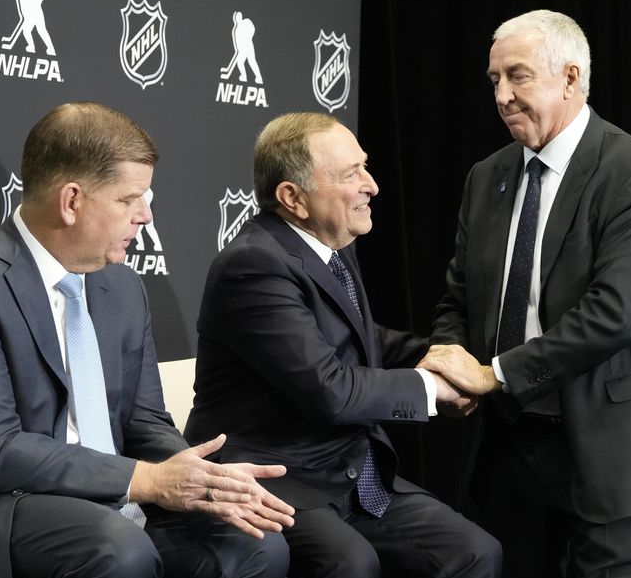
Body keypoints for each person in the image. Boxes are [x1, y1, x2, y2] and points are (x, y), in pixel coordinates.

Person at [0, 102, 293, 578]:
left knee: (255, 545)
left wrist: (203, 479)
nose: (145, 215)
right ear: (72, 201)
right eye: (129, 199)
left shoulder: (122, 286)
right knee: (118, 550)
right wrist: (147, 479)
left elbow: (143, 421)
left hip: (104, 503)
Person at [418, 10, 631, 578]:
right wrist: (450, 360)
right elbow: (459, 299)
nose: (502, 96)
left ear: (570, 78)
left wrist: (493, 374)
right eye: (494, 80)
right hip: (508, 451)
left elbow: (617, 314)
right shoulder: (487, 176)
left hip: (615, 452)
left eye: (518, 76)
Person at [183, 112, 501, 578]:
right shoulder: (253, 265)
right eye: (351, 174)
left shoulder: (331, 247)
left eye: (365, 167)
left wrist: (439, 358)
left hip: (348, 471)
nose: (371, 185)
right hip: (276, 479)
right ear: (293, 198)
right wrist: (434, 388)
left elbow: (361, 340)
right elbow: (330, 389)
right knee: (350, 563)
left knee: (475, 552)